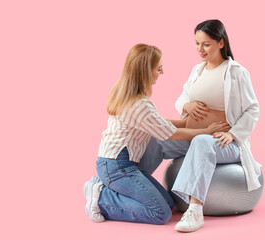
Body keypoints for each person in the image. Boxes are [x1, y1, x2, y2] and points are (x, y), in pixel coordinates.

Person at [83, 43, 230, 225]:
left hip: (117, 164)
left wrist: (185, 122)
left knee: (168, 203)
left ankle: (106, 191)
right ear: (146, 71)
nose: (161, 72)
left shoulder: (129, 96)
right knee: (160, 213)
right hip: (117, 166)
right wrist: (206, 131)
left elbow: (157, 124)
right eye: (158, 68)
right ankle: (101, 197)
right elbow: (170, 134)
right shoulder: (139, 104)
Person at [138, 19, 262, 232]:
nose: (200, 49)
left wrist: (232, 134)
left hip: (224, 143)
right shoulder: (197, 70)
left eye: (206, 44)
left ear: (221, 43)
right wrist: (187, 104)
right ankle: (134, 185)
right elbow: (181, 99)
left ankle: (195, 210)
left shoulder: (236, 72)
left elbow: (253, 110)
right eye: (196, 43)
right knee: (158, 139)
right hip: (195, 137)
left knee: (203, 142)